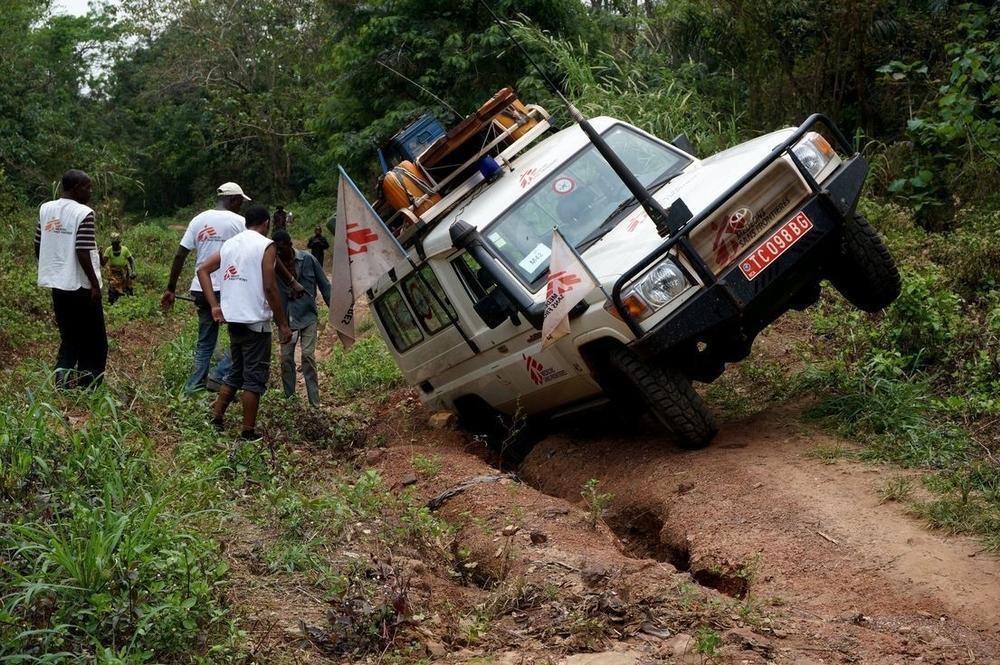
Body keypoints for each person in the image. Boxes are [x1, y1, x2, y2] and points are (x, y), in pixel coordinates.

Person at [197, 206, 291, 441]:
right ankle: (248, 431)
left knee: (236, 372)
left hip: (234, 319)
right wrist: (282, 324)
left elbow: (203, 270)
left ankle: (217, 417)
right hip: (255, 321)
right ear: (267, 223)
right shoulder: (265, 245)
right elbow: (270, 287)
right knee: (254, 378)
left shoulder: (229, 244)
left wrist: (214, 306)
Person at [161, 182, 250, 393]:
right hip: (231, 287)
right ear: (234, 200)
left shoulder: (198, 220)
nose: (240, 206)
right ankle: (220, 375)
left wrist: (171, 288)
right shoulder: (240, 222)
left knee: (205, 341)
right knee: (244, 338)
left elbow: (180, 254)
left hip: (202, 287)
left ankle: (195, 385)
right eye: (240, 202)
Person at [35, 169, 107, 388]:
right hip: (81, 287)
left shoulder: (46, 209)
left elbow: (39, 244)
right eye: (87, 187)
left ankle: (62, 383)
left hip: (58, 285)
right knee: (95, 341)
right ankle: (89, 385)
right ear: (76, 188)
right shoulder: (84, 212)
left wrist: (53, 268)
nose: (90, 191)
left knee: (70, 336)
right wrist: (95, 285)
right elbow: (82, 250)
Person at [273, 230, 331, 407]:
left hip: (308, 315)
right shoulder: (273, 266)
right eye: (276, 250)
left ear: (290, 245)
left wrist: (335, 311)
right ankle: (290, 403)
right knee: (286, 359)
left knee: (307, 355)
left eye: (282, 248)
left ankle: (315, 403)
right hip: (285, 320)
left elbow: (325, 286)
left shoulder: (308, 260)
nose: (280, 253)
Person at [101, 231, 136, 304]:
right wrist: (100, 254)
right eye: (113, 244)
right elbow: (103, 263)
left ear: (119, 242)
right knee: (113, 287)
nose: (114, 245)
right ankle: (112, 304)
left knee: (128, 288)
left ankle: (130, 303)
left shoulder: (125, 249)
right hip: (114, 273)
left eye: (116, 243)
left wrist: (133, 271)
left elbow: (131, 261)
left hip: (124, 272)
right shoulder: (109, 250)